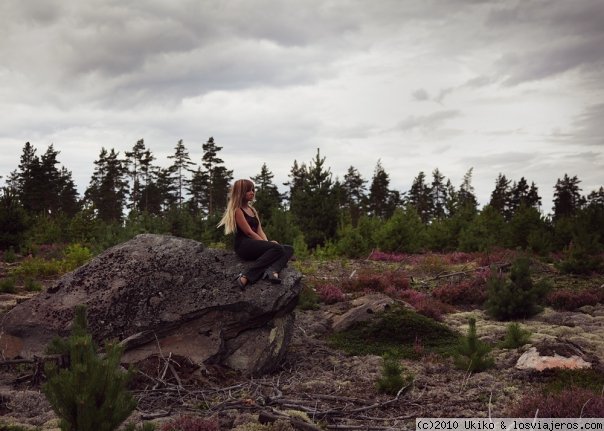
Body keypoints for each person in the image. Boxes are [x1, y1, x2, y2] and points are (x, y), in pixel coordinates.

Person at [218, 179, 293, 290]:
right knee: (277, 248)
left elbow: (259, 230)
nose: (252, 192)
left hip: (255, 244)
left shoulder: (252, 210)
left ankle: (272, 271)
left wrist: (268, 244)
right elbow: (249, 232)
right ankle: (246, 276)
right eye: (248, 190)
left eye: (253, 189)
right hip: (244, 245)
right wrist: (269, 245)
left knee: (288, 249)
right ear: (240, 193)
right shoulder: (237, 210)